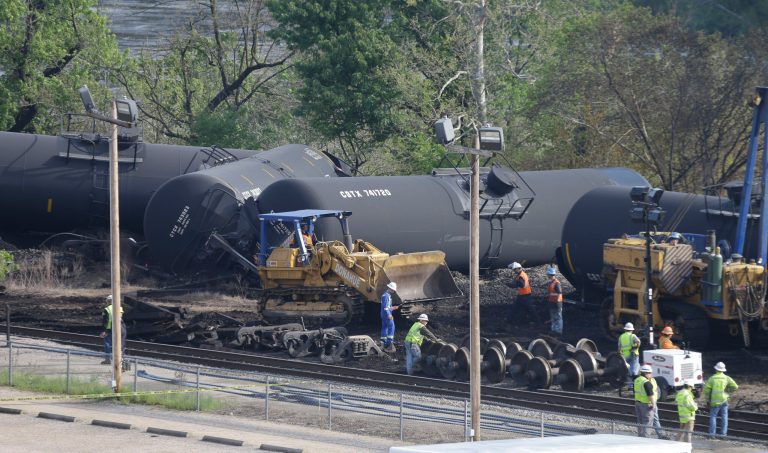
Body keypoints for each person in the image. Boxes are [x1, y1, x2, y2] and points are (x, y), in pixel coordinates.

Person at [704, 361, 739, 437]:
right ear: (723, 370)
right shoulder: (727, 378)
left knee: (713, 417)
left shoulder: (712, 378)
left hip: (715, 402)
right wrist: (728, 391)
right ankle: (723, 434)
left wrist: (707, 399)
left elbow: (707, 391)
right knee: (724, 417)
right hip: (724, 400)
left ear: (716, 369)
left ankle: (712, 435)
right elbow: (735, 387)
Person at [99, 295, 127, 370]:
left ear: (108, 301)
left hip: (111, 328)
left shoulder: (107, 309)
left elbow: (107, 321)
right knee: (121, 346)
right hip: (122, 327)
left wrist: (105, 331)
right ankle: (122, 363)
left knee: (107, 343)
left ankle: (108, 359)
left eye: (107, 301)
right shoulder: (120, 308)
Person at [634, 364, 657, 437]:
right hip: (646, 405)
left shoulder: (637, 380)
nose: (651, 375)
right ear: (646, 373)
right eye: (650, 373)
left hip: (638, 403)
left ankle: (640, 437)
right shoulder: (646, 382)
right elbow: (650, 394)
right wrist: (653, 404)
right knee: (647, 423)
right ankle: (645, 439)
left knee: (640, 422)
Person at [380, 282, 399, 353]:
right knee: (392, 326)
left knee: (385, 327)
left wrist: (393, 308)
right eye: (393, 289)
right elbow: (385, 307)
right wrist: (389, 314)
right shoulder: (386, 296)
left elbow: (387, 307)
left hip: (384, 314)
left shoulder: (387, 295)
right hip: (386, 315)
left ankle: (383, 342)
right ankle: (389, 343)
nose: (394, 291)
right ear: (390, 288)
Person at [546, 266, 563, 336]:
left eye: (548, 275)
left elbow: (559, 293)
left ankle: (558, 331)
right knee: (553, 317)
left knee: (558, 317)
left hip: (556, 303)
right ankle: (554, 330)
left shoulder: (556, 283)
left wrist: (557, 302)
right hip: (552, 302)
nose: (547, 276)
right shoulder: (551, 282)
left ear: (550, 275)